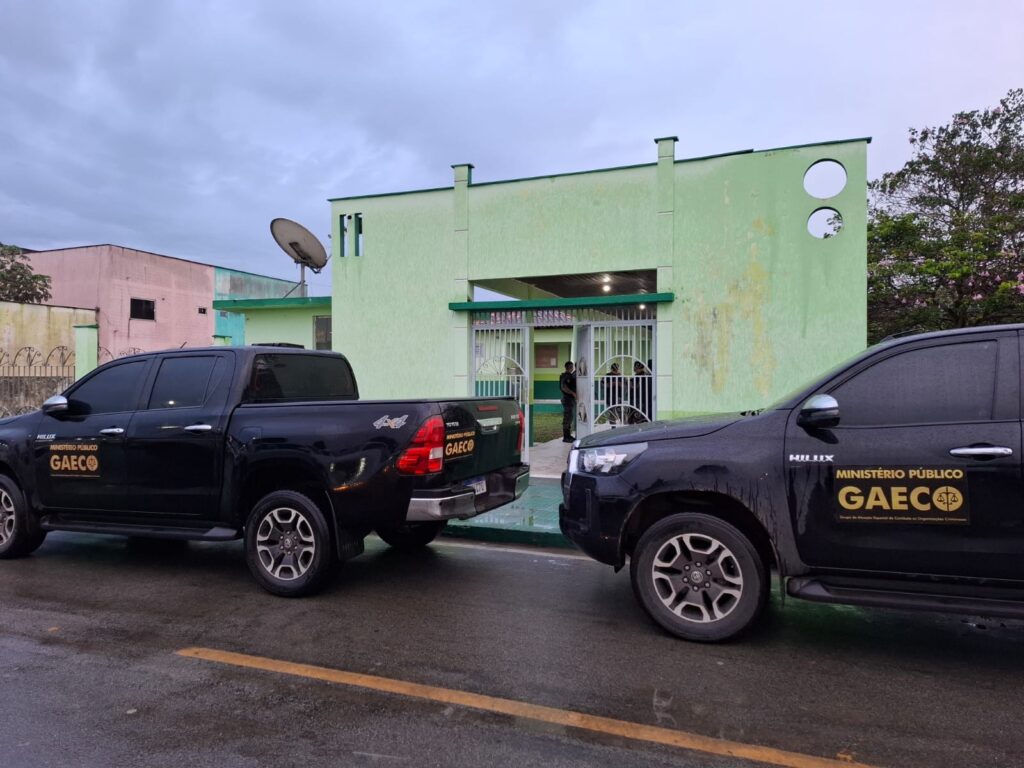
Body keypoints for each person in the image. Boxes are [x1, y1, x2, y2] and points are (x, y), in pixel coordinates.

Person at [559, 361, 576, 442]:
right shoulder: (566, 376)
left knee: (569, 417)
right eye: (572, 366)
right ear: (570, 367)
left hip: (569, 399)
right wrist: (573, 393)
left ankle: (568, 435)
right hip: (567, 399)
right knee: (567, 418)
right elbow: (563, 387)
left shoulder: (569, 375)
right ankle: (566, 437)